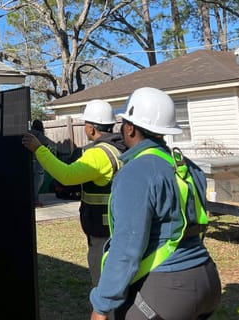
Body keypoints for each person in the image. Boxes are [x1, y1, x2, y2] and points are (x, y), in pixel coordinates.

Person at [90, 87, 221, 320]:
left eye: (124, 123)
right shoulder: (186, 165)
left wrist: (102, 306)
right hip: (206, 277)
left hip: (169, 288)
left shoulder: (135, 172)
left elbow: (126, 247)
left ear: (130, 128)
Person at [22, 100, 126, 289]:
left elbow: (67, 176)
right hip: (119, 228)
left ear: (91, 128)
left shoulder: (98, 154)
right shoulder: (120, 148)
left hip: (104, 237)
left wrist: (38, 149)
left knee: (105, 292)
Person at [29, 120, 54, 207]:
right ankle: (35, 200)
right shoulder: (40, 135)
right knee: (38, 182)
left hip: (28, 161)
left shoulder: (29, 133)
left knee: (31, 182)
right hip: (38, 161)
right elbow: (46, 145)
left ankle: (33, 200)